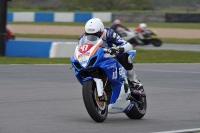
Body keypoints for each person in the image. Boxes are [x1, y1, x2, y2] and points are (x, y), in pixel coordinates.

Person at [80, 17, 144, 97]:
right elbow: (81, 49)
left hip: (111, 56)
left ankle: (135, 82)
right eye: (89, 34)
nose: (92, 36)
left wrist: (119, 48)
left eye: (96, 34)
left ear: (101, 31)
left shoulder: (109, 33)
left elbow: (126, 44)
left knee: (125, 56)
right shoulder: (83, 38)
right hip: (97, 57)